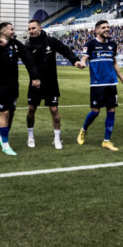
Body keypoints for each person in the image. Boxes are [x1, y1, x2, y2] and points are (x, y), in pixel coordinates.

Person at [24, 19, 81, 149]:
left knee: (54, 109)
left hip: (51, 82)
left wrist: (75, 60)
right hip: (35, 83)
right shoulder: (27, 46)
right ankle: (30, 137)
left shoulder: (51, 41)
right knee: (31, 109)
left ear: (40, 28)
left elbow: (65, 50)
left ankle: (57, 139)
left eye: (33, 28)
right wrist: (35, 78)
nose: (31, 31)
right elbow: (29, 65)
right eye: (29, 29)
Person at [0, 22, 40, 156]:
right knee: (4, 113)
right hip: (0, 85)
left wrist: (35, 77)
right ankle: (5, 144)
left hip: (13, 84)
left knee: (11, 112)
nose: (14, 31)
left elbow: (28, 60)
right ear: (3, 32)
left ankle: (2, 138)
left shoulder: (16, 44)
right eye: (11, 29)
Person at [78, 19, 123, 150]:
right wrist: (83, 63)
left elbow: (114, 64)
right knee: (95, 112)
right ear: (96, 30)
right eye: (103, 27)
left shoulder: (112, 44)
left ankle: (106, 141)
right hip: (97, 84)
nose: (107, 29)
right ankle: (84, 129)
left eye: (108, 27)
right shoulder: (90, 44)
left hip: (111, 83)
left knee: (111, 111)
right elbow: (84, 58)